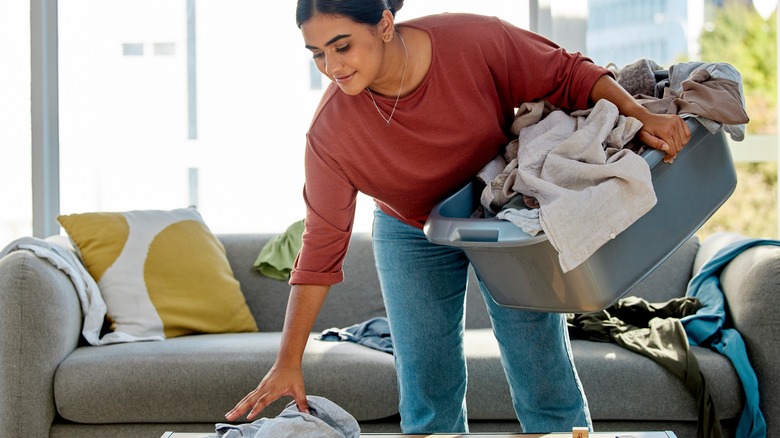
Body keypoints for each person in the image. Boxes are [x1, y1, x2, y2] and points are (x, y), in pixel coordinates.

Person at [225, 0, 691, 433]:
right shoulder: (331, 133)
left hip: (502, 216)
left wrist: (638, 114)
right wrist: (289, 359)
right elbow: (322, 244)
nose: (332, 67)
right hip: (410, 229)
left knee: (539, 365)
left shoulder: (471, 41)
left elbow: (565, 72)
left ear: (384, 25)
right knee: (427, 386)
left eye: (342, 46)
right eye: (317, 55)